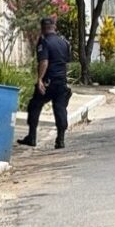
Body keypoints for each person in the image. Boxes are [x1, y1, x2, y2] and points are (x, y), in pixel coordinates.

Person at [17, 17, 73, 149]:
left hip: (48, 82)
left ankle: (32, 137)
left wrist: (40, 79)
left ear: (42, 28)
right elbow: (66, 63)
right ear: (55, 27)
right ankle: (60, 139)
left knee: (34, 105)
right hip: (61, 82)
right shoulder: (64, 42)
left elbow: (44, 62)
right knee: (60, 109)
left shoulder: (44, 42)